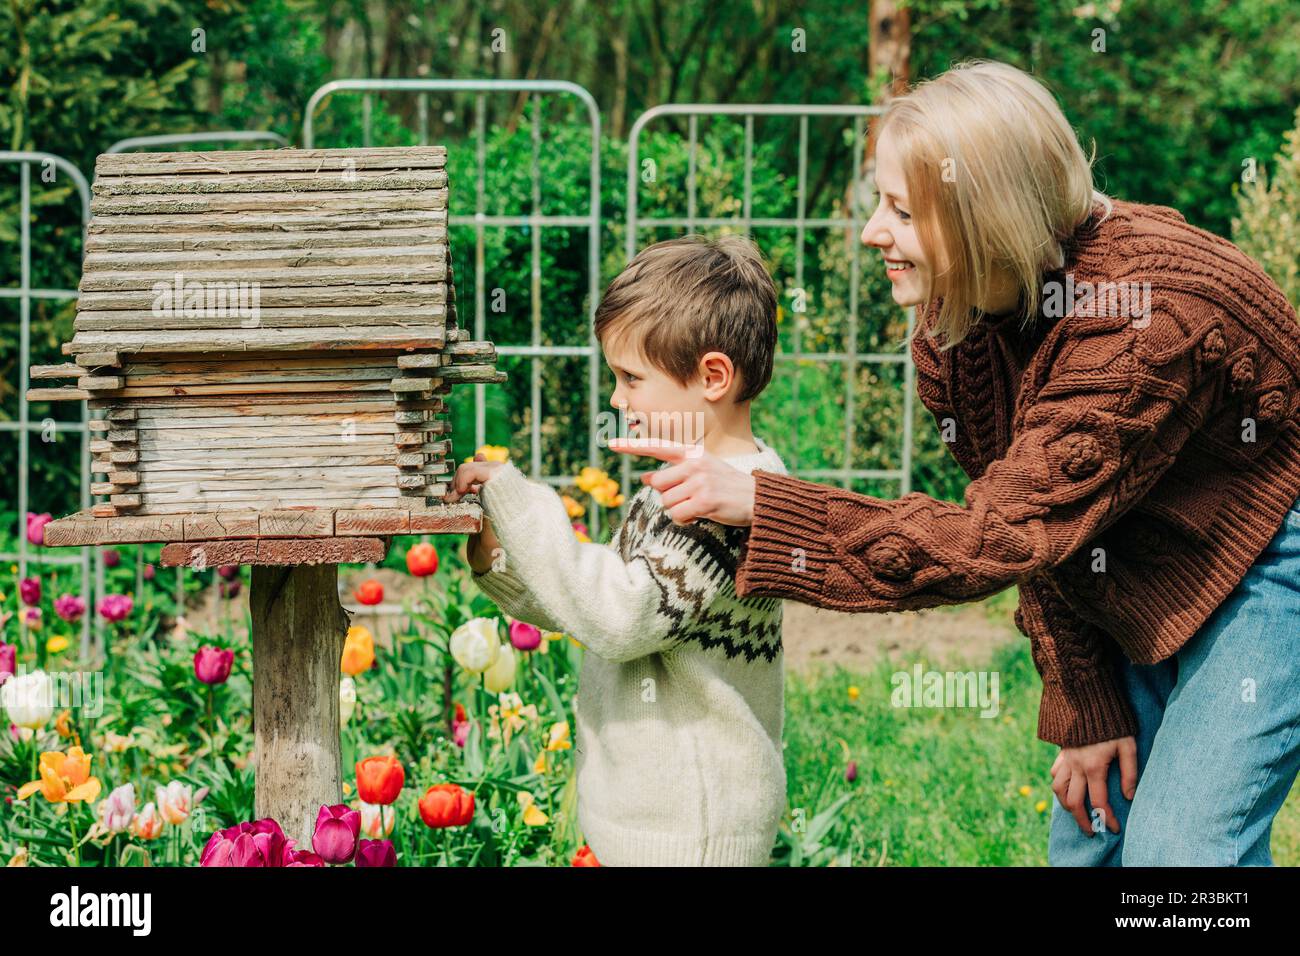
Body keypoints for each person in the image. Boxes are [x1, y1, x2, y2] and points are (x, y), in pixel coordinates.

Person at [610, 59, 1300, 866]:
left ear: (987, 215)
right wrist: (1086, 702)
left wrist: (772, 505)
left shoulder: (1142, 317)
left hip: (1271, 556)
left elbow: (999, 535)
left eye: (901, 211)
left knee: (1179, 857)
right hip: (1131, 550)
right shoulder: (957, 327)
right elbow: (1035, 517)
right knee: (1094, 842)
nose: (872, 232)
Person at [449, 234, 790, 866]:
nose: (616, 398)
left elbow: (620, 617)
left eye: (631, 377)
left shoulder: (726, 506)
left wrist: (524, 504)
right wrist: (497, 561)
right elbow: (600, 605)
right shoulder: (692, 484)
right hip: (654, 821)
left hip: (695, 829)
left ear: (712, 376)